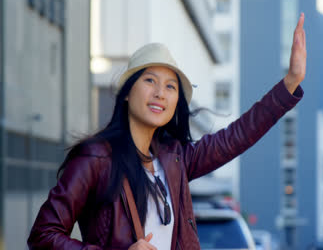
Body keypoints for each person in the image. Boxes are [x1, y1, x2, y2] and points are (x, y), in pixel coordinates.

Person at [27, 13, 307, 250]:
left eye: (170, 86)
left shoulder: (175, 159)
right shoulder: (95, 158)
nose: (160, 93)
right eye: (150, 80)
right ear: (127, 93)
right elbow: (43, 234)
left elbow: (237, 137)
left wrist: (290, 82)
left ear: (176, 103)